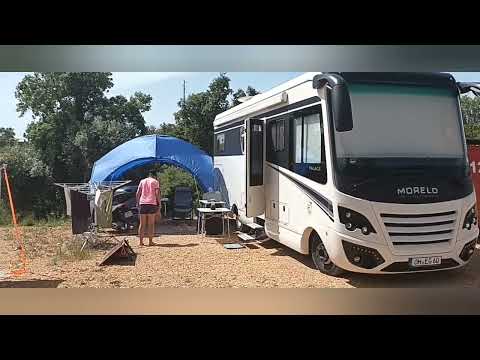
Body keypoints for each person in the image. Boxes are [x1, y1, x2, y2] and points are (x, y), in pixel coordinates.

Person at [136, 172, 161, 246]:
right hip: (151, 203)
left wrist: (137, 203)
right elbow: (157, 193)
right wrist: (159, 203)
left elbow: (138, 193)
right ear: (154, 176)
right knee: (151, 224)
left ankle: (141, 242)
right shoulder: (155, 182)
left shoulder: (142, 181)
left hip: (142, 203)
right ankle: (150, 242)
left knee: (142, 224)